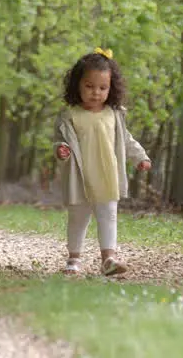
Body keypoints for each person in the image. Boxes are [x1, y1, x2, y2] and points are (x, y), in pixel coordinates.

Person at [53, 48, 152, 276]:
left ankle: (108, 259)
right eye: (89, 86)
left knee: (108, 216)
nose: (96, 93)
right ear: (77, 85)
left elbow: (125, 140)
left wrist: (140, 157)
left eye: (102, 88)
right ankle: (74, 258)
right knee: (78, 218)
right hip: (81, 178)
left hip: (107, 177)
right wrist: (61, 150)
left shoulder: (114, 114)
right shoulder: (70, 116)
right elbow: (59, 141)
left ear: (111, 88)